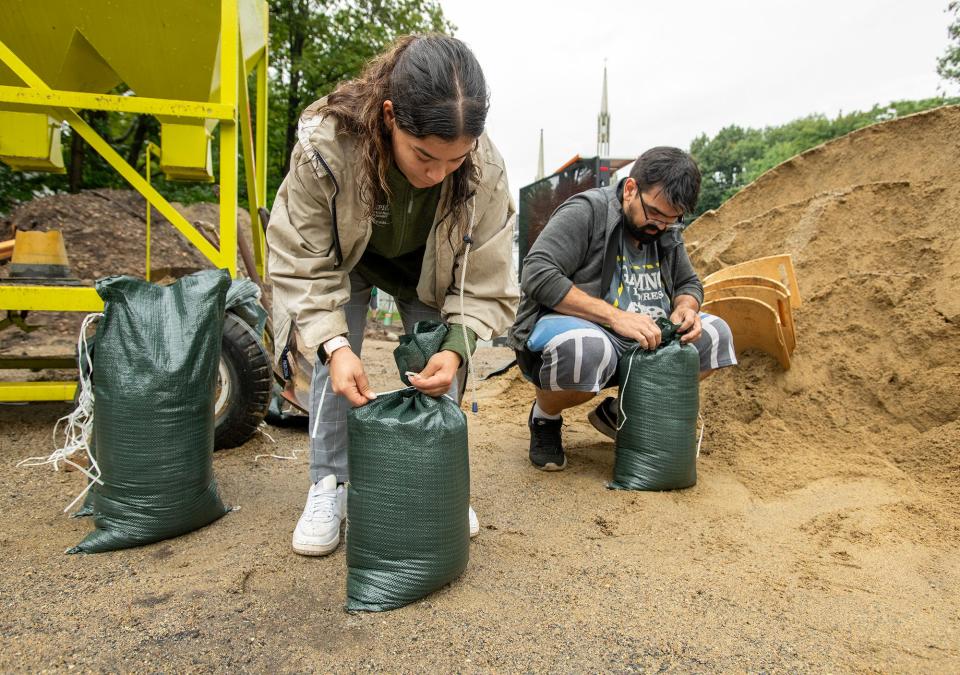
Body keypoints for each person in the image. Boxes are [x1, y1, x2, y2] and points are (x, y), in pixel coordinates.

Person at [267, 35, 518, 556]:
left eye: (454, 161)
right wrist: (335, 348)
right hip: (346, 260)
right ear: (388, 116)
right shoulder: (326, 147)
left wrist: (455, 346)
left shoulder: (485, 171)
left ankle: (437, 481)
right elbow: (299, 258)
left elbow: (485, 279)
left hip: (430, 266)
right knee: (336, 369)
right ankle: (328, 484)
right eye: (424, 155)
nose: (436, 174)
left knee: (439, 363)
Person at [507, 147, 736, 470]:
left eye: (671, 219)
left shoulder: (666, 227)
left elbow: (689, 283)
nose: (660, 226)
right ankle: (545, 418)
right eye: (654, 213)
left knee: (716, 334)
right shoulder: (587, 211)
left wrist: (687, 307)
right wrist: (615, 317)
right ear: (630, 189)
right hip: (587, 328)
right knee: (586, 350)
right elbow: (537, 274)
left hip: (649, 336)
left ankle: (621, 412)